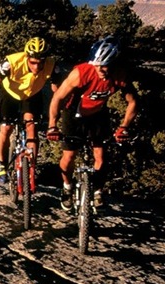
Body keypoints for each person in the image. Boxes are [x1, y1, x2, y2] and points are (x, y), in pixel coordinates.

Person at [46, 36, 138, 210]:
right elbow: (58, 97)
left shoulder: (120, 75)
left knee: (101, 157)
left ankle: (97, 192)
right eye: (97, 64)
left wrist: (124, 127)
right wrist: (52, 125)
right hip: (74, 114)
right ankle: (67, 188)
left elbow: (133, 102)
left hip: (98, 114)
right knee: (69, 156)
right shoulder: (80, 73)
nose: (101, 69)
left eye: (105, 65)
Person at [0, 37, 60, 183]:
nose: (37, 67)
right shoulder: (10, 63)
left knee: (32, 127)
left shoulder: (52, 65)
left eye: (41, 63)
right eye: (33, 63)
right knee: (6, 128)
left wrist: (59, 109)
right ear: (27, 58)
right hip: (10, 94)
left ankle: (31, 168)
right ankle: (1, 164)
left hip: (32, 95)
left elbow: (58, 90)